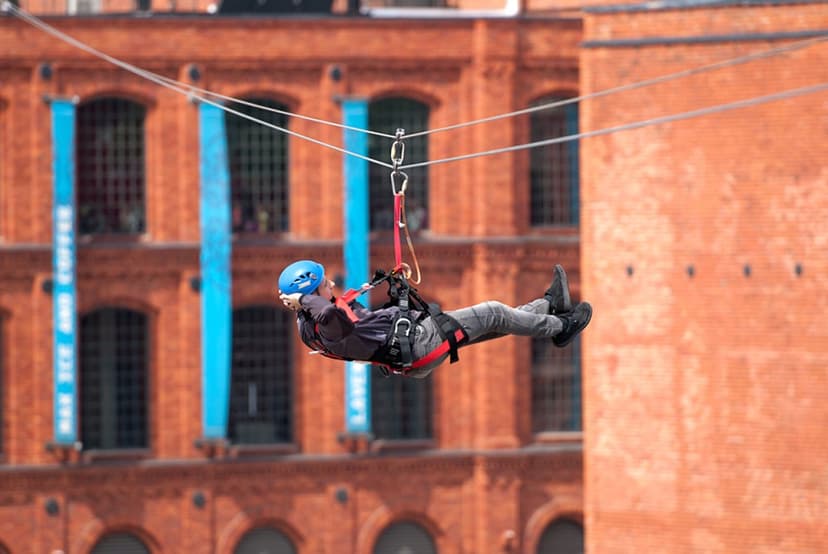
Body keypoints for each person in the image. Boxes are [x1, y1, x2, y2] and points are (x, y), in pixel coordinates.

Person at [277, 260, 592, 378]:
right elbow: (333, 315)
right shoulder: (325, 324)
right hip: (418, 342)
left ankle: (549, 305)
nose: (330, 285)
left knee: (494, 321)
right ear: (309, 293)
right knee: (494, 311)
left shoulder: (310, 323)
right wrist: (306, 297)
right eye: (323, 283)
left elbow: (357, 321)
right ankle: (563, 327)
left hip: (410, 344)